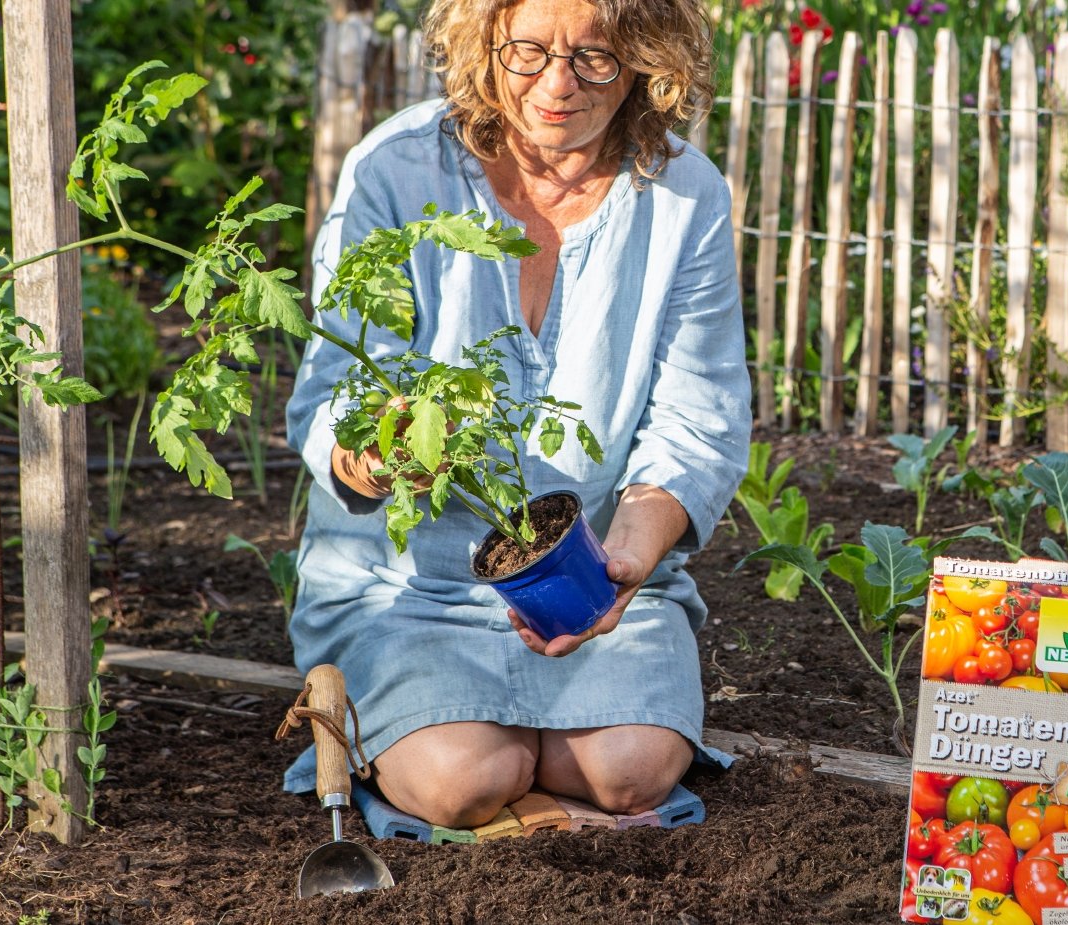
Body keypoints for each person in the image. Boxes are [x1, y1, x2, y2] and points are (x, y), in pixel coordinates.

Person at [282, 0, 749, 830]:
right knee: (464, 779)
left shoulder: (684, 194)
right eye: (527, 51)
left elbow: (696, 419)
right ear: (483, 41)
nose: (556, 86)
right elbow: (335, 394)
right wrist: (378, 452)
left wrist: (625, 564)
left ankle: (534, 785)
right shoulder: (398, 170)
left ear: (646, 59)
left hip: (590, 567)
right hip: (411, 580)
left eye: (596, 58)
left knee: (629, 771)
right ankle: (492, 769)